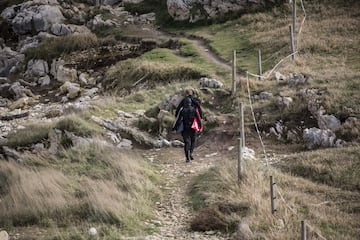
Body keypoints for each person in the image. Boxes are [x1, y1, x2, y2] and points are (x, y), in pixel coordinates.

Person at [178, 97, 202, 162]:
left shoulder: (182, 110)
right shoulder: (194, 110)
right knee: (193, 141)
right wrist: (200, 127)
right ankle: (190, 153)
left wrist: (176, 128)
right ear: (190, 103)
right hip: (192, 128)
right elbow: (198, 119)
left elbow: (178, 120)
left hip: (185, 128)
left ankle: (187, 158)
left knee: (186, 142)